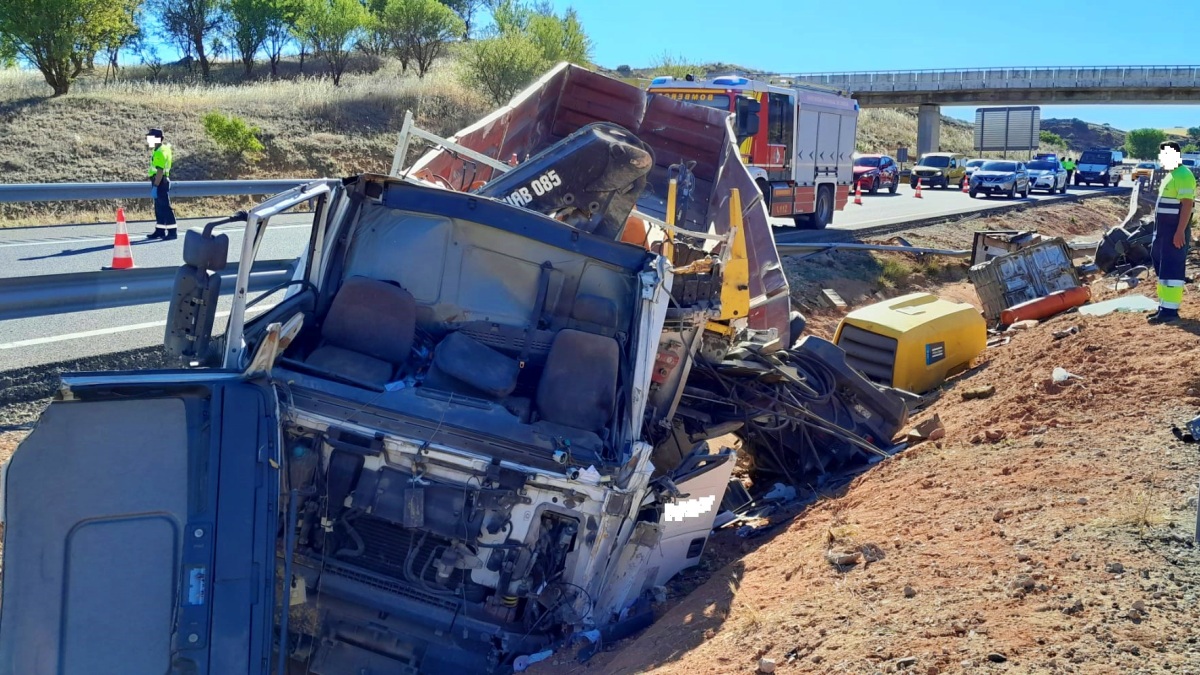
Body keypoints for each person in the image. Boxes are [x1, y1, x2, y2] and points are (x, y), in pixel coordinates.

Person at [1148, 140, 1195, 324]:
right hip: (1162, 233)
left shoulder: (1183, 175)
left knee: (1172, 269)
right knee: (1162, 267)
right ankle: (1163, 306)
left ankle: (1170, 311)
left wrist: (1179, 232)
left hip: (1174, 233)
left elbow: (1187, 205)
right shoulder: (1171, 175)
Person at [145, 128, 177, 241]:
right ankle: (160, 230)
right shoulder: (160, 149)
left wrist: (155, 186)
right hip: (160, 181)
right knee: (159, 208)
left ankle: (172, 232)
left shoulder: (160, 152)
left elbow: (159, 171)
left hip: (160, 182)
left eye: (150, 138)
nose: (148, 140)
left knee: (165, 207)